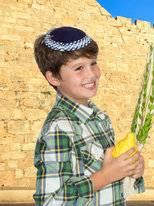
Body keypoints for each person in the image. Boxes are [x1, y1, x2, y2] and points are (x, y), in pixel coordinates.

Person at [33, 26, 145, 205]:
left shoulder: (101, 119)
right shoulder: (59, 127)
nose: (92, 74)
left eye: (93, 63)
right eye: (79, 68)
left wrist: (131, 170)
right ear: (53, 78)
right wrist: (106, 175)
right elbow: (50, 201)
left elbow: (113, 177)